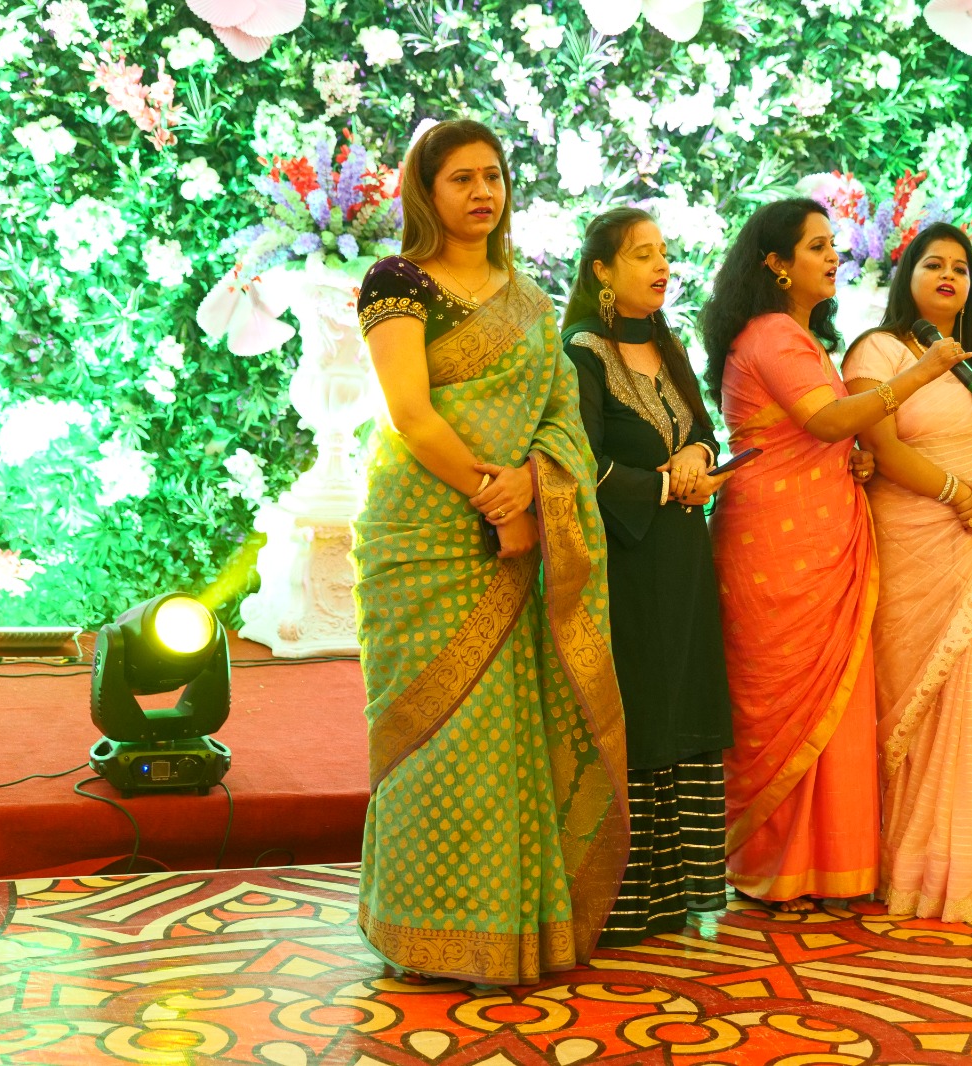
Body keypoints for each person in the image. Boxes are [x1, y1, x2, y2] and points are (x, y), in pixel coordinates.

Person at [351, 118, 628, 983]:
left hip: (514, 534)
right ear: (426, 192)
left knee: (506, 737)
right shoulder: (398, 281)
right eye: (461, 178)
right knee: (429, 739)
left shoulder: (531, 300)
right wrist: (490, 493)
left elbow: (561, 418)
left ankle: (507, 931)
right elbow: (410, 411)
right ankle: (419, 931)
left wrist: (532, 485)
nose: (482, 192)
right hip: (425, 535)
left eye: (493, 176)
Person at [700, 197, 968, 912]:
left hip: (819, 538)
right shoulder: (773, 335)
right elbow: (825, 419)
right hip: (778, 544)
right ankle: (778, 863)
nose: (833, 257)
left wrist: (856, 457)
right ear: (776, 264)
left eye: (833, 244)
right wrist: (921, 372)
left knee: (836, 699)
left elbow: (823, 436)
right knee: (782, 701)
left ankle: (828, 864)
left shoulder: (801, 336)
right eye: (817, 246)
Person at [842, 222, 972, 925]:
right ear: (909, 275)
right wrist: (962, 494)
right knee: (915, 698)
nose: (949, 276)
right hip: (914, 542)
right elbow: (880, 445)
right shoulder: (877, 350)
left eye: (961, 267)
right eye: (934, 264)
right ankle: (912, 863)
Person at [559, 207, 734, 945]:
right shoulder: (581, 352)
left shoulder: (668, 344)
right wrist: (663, 486)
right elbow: (580, 463)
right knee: (638, 712)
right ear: (602, 271)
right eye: (641, 255)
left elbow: (700, 430)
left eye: (663, 253)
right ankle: (629, 900)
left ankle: (683, 894)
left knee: (683, 705)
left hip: (682, 559)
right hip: (623, 563)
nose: (662, 266)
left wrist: (698, 457)